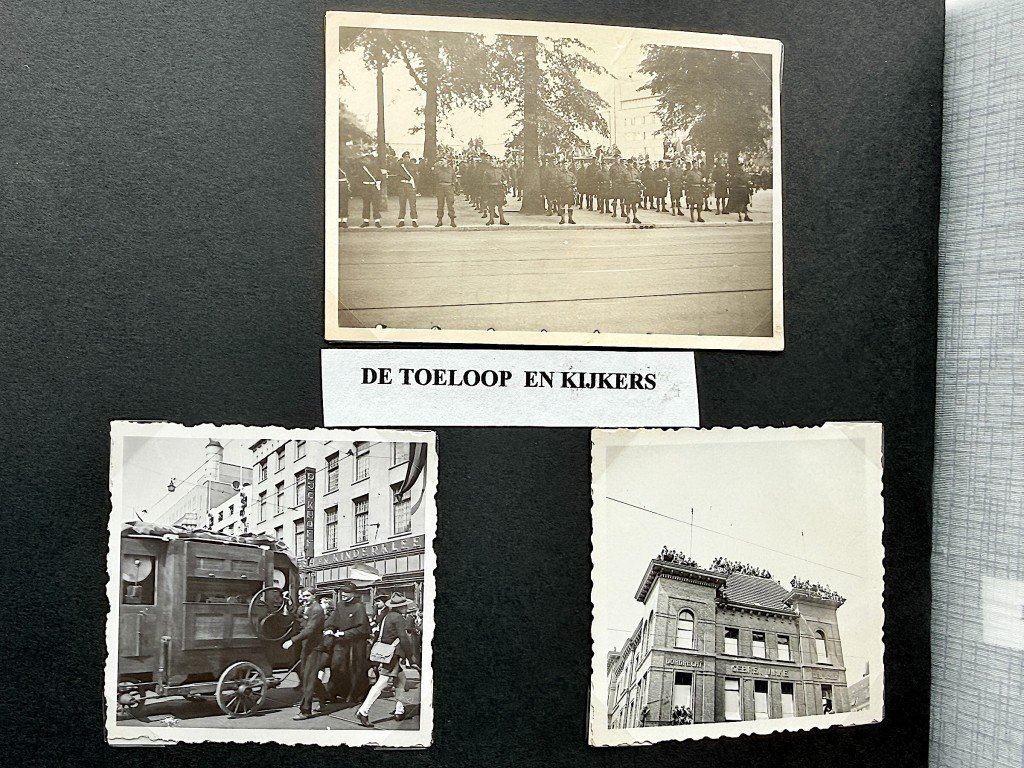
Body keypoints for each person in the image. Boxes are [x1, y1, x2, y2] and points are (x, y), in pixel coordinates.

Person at [356, 593, 418, 727]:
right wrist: (411, 658)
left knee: (401, 681)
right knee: (382, 682)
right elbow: (404, 639)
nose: (406, 607)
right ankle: (363, 711)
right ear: (400, 607)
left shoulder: (388, 616)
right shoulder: (399, 618)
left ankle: (399, 710)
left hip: (387, 653)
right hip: (393, 655)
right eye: (404, 605)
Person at [323, 580, 371, 705]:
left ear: (353, 594)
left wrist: (345, 633)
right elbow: (332, 621)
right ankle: (335, 693)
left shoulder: (359, 607)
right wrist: (329, 629)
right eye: (342, 591)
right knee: (336, 666)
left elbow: (363, 629)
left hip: (355, 645)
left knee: (355, 670)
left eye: (347, 592)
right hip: (340, 643)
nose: (343, 594)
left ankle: (355, 695)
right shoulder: (339, 605)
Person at [283, 587, 326, 720]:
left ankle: (306, 711)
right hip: (306, 647)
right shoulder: (306, 608)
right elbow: (297, 616)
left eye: (307, 596)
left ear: (314, 596)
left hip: (315, 648)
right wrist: (288, 602)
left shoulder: (317, 610)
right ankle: (324, 697)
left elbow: (310, 630)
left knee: (308, 678)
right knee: (305, 675)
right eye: (303, 596)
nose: (304, 598)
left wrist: (292, 640)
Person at [481, 154, 509, 226]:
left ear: (496, 162)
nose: (492, 163)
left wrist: (505, 182)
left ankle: (502, 220)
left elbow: (505, 178)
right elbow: (485, 182)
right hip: (491, 188)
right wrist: (486, 190)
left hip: (499, 188)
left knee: (500, 205)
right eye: (491, 161)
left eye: (494, 161)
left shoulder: (500, 170)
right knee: (491, 205)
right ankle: (491, 220)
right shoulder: (487, 171)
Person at [358, 152, 384, 228]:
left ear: (371, 160)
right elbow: (359, 178)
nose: (365, 160)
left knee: (376, 205)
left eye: (367, 159)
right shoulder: (363, 168)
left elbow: (380, 178)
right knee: (366, 205)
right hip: (366, 187)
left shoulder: (376, 168)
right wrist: (361, 187)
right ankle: (366, 221)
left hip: (374, 187)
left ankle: (377, 221)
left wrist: (379, 186)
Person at [393, 151, 419, 228]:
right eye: (405, 157)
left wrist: (416, 186)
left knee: (412, 204)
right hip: (402, 185)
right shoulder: (399, 166)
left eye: (408, 157)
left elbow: (416, 177)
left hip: (410, 186)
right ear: (403, 158)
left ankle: (414, 220)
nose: (406, 158)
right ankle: (401, 220)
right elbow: (396, 174)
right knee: (402, 204)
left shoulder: (413, 166)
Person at [432, 155, 458, 228]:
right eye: (441, 161)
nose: (442, 162)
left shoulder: (451, 169)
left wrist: (453, 187)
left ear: (447, 161)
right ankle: (439, 220)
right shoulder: (438, 169)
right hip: (440, 187)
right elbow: (435, 178)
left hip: (449, 187)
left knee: (450, 204)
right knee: (440, 204)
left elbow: (454, 179)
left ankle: (452, 220)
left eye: (443, 160)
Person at [339, 161, 352, 229]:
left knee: (343, 203)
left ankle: (343, 220)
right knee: (341, 203)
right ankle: (340, 220)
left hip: (343, 185)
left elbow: (349, 177)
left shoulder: (345, 166)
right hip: (341, 185)